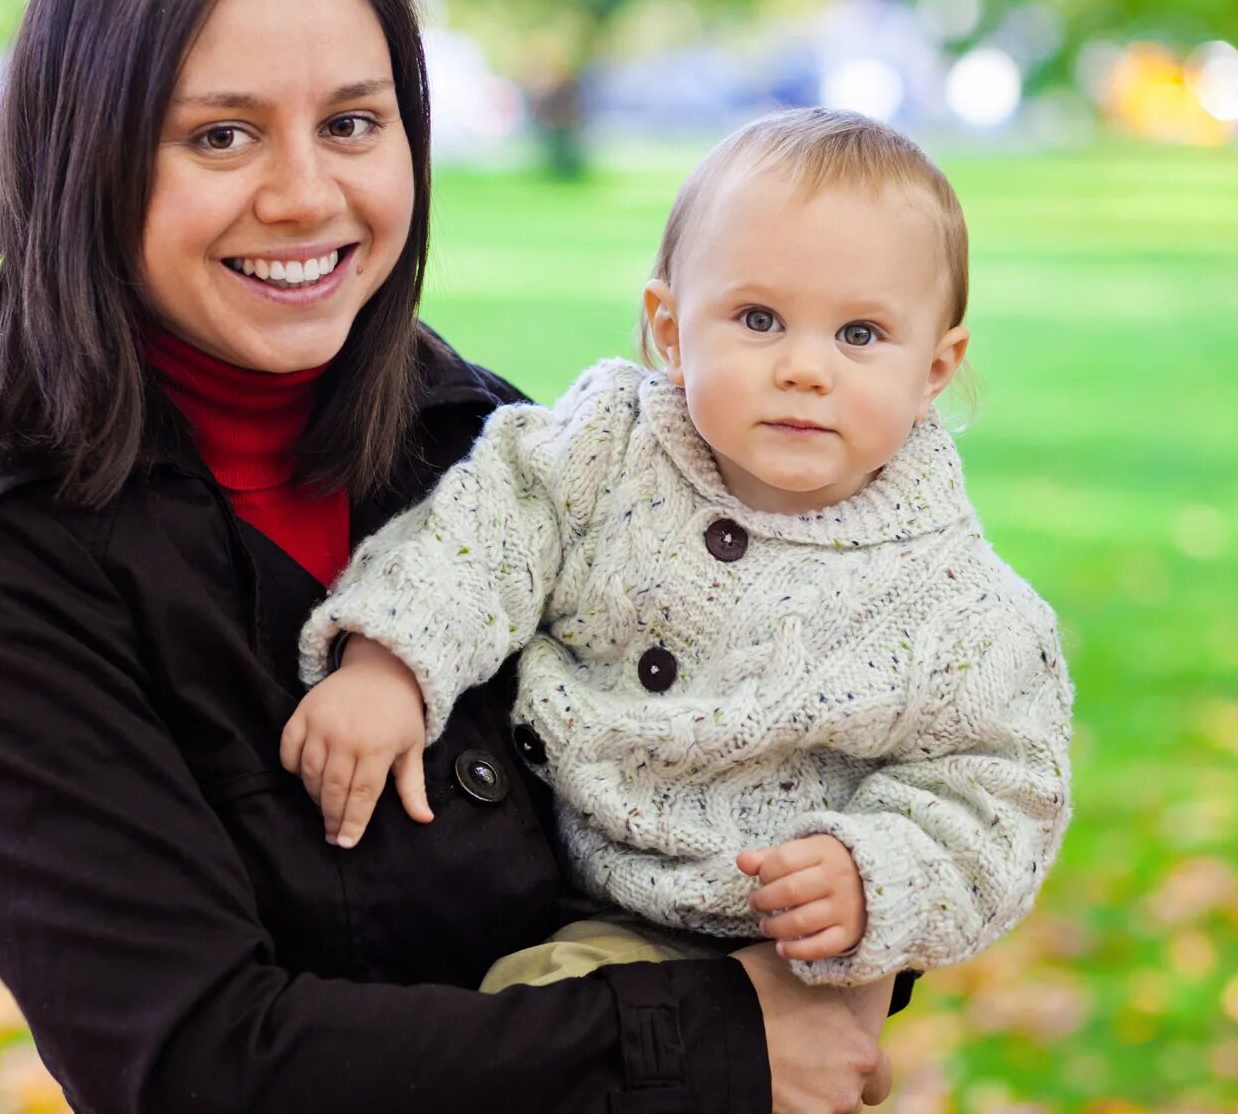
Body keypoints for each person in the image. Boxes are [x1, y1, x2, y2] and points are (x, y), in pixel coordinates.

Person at [0, 0, 895, 1114]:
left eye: (352, 123)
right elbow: (197, 1062)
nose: (306, 195)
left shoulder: (502, 449)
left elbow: (774, 774)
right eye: (220, 134)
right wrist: (719, 1038)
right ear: (88, 156)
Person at [284, 109, 1074, 1011]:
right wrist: (393, 662)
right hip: (543, 856)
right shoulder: (605, 451)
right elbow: (484, 535)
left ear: (936, 368)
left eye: (860, 335)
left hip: (761, 945)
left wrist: (875, 875)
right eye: (758, 318)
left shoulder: (962, 611)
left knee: (536, 1013)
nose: (806, 369)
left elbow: (998, 795)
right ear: (668, 326)